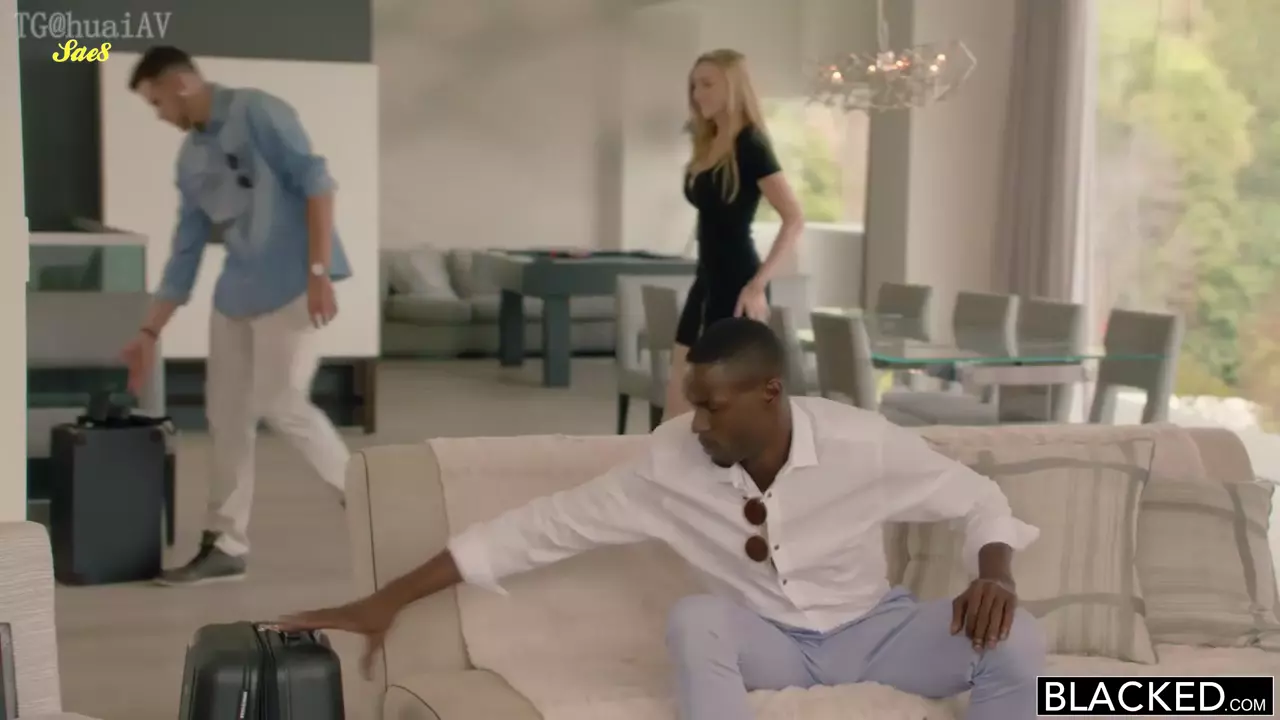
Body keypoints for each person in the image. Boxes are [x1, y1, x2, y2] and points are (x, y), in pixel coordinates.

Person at [280, 318, 1046, 720]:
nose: (696, 423)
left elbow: (978, 498)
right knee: (696, 619)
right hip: (770, 645)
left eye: (712, 407)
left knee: (1016, 639)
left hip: (876, 633)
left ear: (770, 393)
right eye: (692, 404)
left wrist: (997, 577)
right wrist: (387, 599)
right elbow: (536, 529)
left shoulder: (861, 443)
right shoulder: (669, 463)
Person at [120, 46, 354, 586]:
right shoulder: (190, 160)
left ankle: (366, 498)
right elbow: (185, 251)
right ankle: (225, 543)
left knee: (281, 400)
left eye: (157, 102)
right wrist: (149, 331)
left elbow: (317, 184)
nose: (159, 116)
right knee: (226, 415)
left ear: (179, 84)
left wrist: (319, 272)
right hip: (237, 295)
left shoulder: (258, 110)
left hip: (294, 284)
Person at [662, 49, 806, 422]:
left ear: (733, 87)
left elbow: (794, 218)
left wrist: (758, 285)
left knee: (718, 409)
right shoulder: (708, 142)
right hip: (706, 280)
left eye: (707, 84)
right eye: (694, 85)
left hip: (737, 283)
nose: (697, 94)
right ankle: (669, 460)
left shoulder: (751, 145)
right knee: (678, 398)